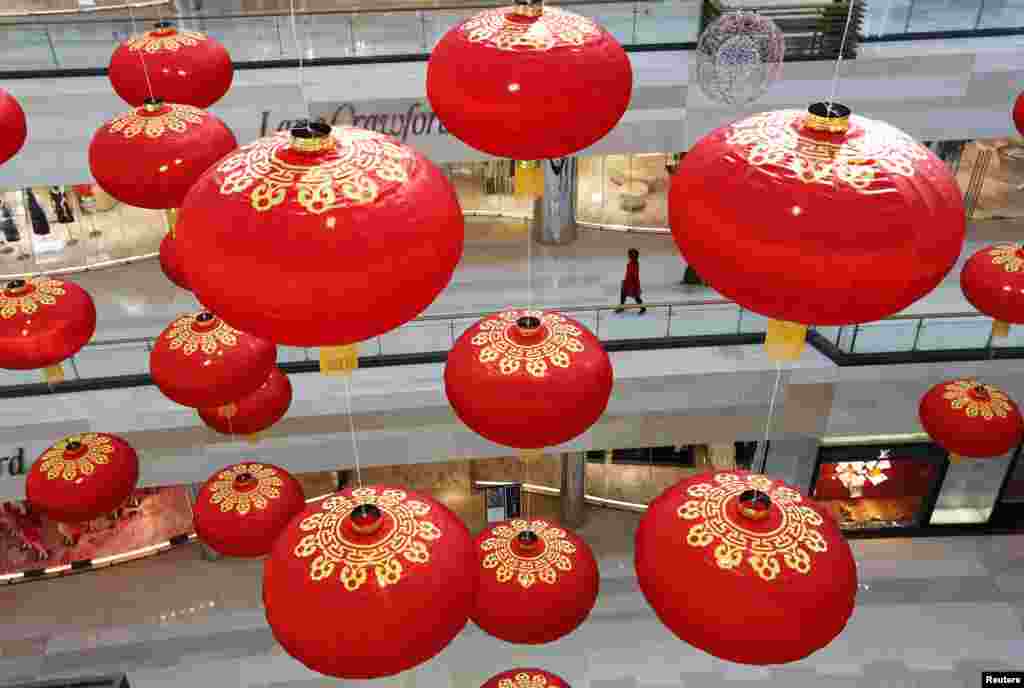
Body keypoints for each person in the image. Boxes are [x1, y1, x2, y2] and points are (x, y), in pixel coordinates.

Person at [616, 248, 646, 314]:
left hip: (632, 283)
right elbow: (629, 273)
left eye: (630, 254)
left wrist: (635, 285)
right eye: (629, 254)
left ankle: (643, 308)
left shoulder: (635, 263)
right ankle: (621, 307)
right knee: (623, 295)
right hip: (627, 282)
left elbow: (634, 275)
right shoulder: (631, 262)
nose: (628, 256)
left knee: (636, 296)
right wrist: (625, 280)